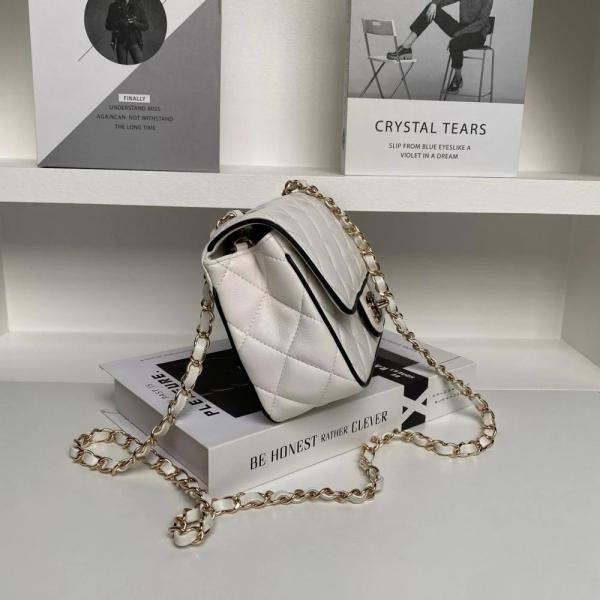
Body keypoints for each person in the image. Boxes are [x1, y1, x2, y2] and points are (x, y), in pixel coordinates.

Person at [387, 0, 493, 93]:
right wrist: (434, 3)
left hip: (477, 33)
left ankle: (458, 78)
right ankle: (406, 47)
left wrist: (458, 34)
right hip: (461, 29)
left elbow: (482, 22)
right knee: (431, 8)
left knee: (455, 43)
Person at [106, 0, 149, 65]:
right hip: (120, 42)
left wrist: (135, 23)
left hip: (135, 41)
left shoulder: (138, 5)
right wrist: (120, 23)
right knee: (122, 67)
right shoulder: (113, 6)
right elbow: (108, 25)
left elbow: (146, 26)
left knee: (140, 66)